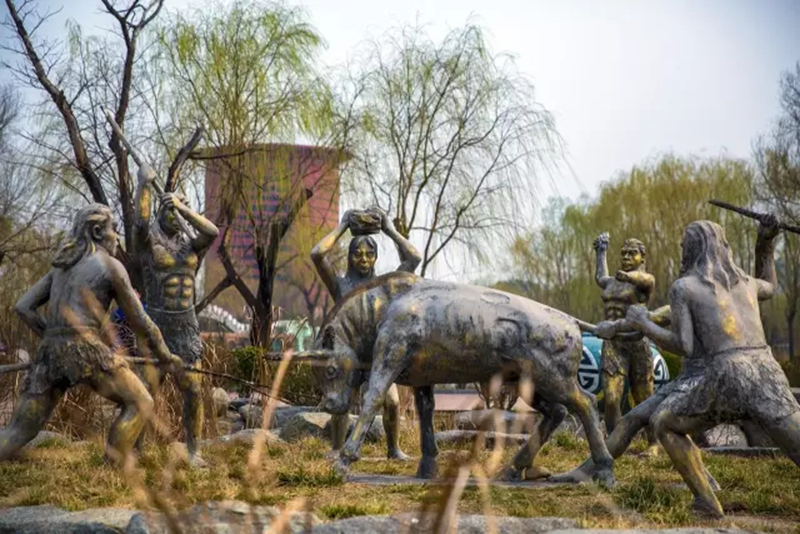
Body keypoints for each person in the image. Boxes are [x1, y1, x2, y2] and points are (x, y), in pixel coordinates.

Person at [624, 218, 800, 518]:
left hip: (727, 374)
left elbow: (683, 345)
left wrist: (643, 323)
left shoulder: (684, 287)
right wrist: (766, 243)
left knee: (664, 422)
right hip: (768, 371)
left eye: (684, 245)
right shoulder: (745, 282)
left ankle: (706, 502)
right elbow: (770, 285)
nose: (681, 249)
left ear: (693, 248)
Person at [0, 204, 181, 465]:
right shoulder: (110, 265)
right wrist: (165, 354)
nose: (116, 237)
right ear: (97, 231)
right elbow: (140, 320)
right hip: (87, 350)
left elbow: (23, 307)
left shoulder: (60, 268)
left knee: (19, 430)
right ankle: (111, 469)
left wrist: (52, 341)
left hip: (49, 353)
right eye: (114, 229)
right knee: (141, 402)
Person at [311, 208, 421, 460]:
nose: (364, 259)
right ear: (350, 258)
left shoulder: (384, 285)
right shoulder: (340, 285)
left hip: (376, 357)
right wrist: (342, 226)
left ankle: (393, 449)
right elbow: (317, 254)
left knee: (392, 402)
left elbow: (414, 258)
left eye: (370, 254)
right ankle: (337, 449)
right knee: (342, 403)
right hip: (348, 357)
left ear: (376, 258)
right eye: (358, 254)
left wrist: (389, 229)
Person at [132, 164, 219, 467]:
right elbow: (140, 224)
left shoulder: (192, 244)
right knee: (146, 390)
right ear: (160, 211)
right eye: (170, 209)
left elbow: (212, 232)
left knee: (193, 389)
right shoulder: (150, 242)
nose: (175, 215)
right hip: (156, 324)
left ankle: (194, 452)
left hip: (186, 326)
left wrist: (182, 208)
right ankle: (137, 451)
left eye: (181, 210)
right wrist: (144, 184)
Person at [593, 233, 658, 453]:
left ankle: (653, 444)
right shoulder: (612, 282)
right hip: (614, 345)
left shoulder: (643, 283)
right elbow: (600, 277)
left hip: (637, 343)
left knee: (644, 399)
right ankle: (615, 445)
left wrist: (629, 276)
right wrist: (601, 251)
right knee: (611, 399)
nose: (626, 257)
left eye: (632, 254)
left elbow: (647, 280)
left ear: (642, 258)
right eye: (623, 254)